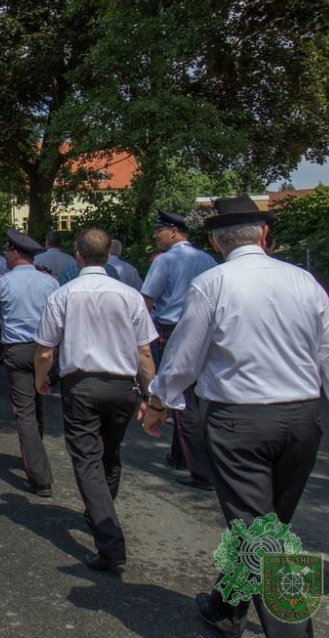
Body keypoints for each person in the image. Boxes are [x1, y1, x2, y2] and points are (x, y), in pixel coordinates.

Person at [143, 196, 329, 638]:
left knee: (265, 536)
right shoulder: (305, 281)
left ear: (215, 241)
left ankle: (292, 632)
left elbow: (182, 359)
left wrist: (158, 403)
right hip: (302, 422)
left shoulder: (214, 284)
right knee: (266, 528)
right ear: (265, 235)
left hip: (239, 423)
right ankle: (225, 608)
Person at [34, 228, 157, 571]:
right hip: (123, 386)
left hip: (82, 384)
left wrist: (41, 379)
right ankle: (100, 510)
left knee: (87, 459)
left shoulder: (64, 294)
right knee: (110, 452)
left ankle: (109, 539)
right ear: (108, 256)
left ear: (78, 255)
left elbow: (45, 350)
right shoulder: (129, 295)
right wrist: (150, 395)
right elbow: (144, 352)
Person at [142, 208, 218, 489]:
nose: (156, 236)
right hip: (206, 331)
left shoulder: (165, 261)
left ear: (173, 231)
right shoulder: (207, 259)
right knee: (196, 396)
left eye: (159, 231)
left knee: (180, 398)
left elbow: (147, 300)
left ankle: (200, 470)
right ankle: (179, 455)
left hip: (173, 330)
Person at [0, 230, 59, 496]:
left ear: (15, 254)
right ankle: (34, 452)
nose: (5, 255)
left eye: (7, 252)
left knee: (23, 411)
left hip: (17, 350)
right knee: (38, 404)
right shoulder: (50, 283)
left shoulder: (2, 283)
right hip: (45, 350)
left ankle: (39, 476)